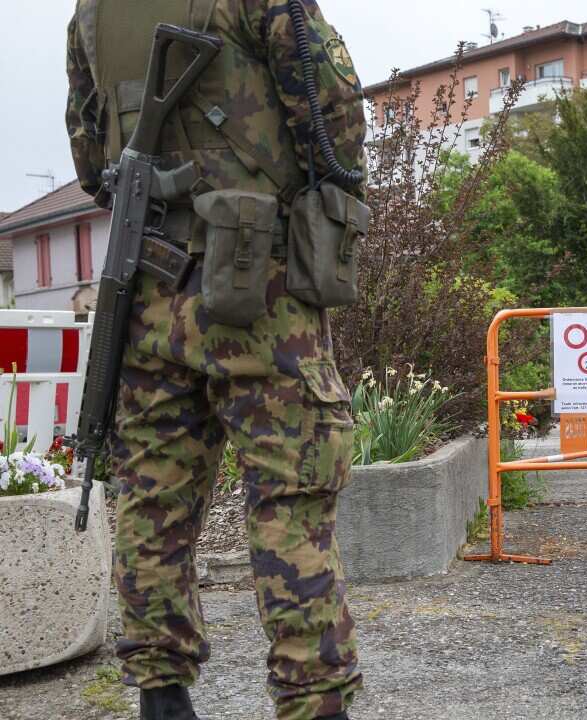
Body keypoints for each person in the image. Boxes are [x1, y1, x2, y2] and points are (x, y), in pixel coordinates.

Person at [66, 1, 367, 718]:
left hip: (145, 287)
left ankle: (161, 697)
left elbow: (87, 155)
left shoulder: (89, 12)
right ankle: (313, 703)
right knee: (289, 501)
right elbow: (337, 124)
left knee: (151, 501)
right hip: (258, 294)